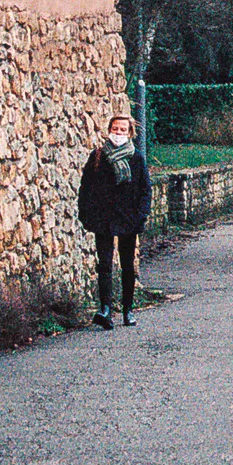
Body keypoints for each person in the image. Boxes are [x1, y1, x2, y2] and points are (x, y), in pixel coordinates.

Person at [78, 113, 150, 329]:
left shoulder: (136, 158)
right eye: (115, 129)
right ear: (109, 130)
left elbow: (145, 189)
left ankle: (128, 309)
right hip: (104, 218)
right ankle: (105, 309)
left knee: (127, 265)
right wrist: (87, 214)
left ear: (130, 133)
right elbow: (86, 188)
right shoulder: (98, 156)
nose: (118, 133)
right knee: (105, 265)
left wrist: (141, 215)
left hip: (128, 218)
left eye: (122, 130)